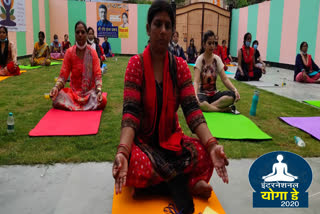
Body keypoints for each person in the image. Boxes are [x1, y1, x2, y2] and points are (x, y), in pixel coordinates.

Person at [112, 2, 229, 214]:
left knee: (203, 153)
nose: (163, 31)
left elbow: (193, 112)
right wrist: (123, 151)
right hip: (145, 144)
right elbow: (130, 114)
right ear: (148, 28)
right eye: (158, 24)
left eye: (168, 25)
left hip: (172, 142)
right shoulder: (135, 65)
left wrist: (212, 146)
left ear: (173, 31)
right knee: (132, 162)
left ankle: (157, 185)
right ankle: (183, 183)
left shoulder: (181, 67)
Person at [49, 21, 107, 111]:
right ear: (75, 34)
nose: (80, 35)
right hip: (73, 95)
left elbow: (97, 75)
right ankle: (83, 107)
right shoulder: (69, 52)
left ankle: (75, 107)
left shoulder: (92, 52)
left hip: (89, 94)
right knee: (57, 97)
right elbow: (63, 75)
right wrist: (56, 88)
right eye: (77, 32)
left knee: (102, 100)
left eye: (83, 32)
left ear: (86, 34)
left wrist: (99, 91)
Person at [194, 30, 240, 113]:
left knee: (231, 96)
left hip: (215, 95)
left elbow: (225, 79)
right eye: (209, 43)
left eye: (214, 43)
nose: (212, 46)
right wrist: (195, 95)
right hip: (203, 95)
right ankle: (223, 109)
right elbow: (196, 81)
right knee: (199, 103)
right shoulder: (200, 60)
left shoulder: (217, 59)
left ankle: (209, 108)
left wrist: (235, 90)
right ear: (204, 44)